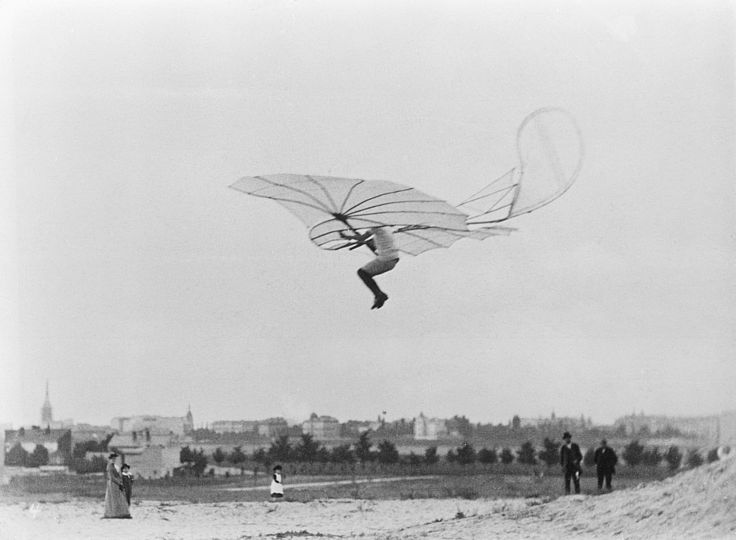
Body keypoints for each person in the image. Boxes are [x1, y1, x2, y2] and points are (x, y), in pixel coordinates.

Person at [340, 226, 399, 309]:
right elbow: (374, 243)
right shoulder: (387, 230)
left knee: (362, 272)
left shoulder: (377, 228)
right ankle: (379, 294)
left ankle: (379, 295)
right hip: (392, 261)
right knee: (366, 274)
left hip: (386, 260)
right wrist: (366, 242)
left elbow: (361, 238)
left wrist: (346, 237)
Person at [103, 453, 131, 518]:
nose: (113, 460)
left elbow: (118, 475)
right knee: (113, 498)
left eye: (114, 458)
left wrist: (120, 482)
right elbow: (112, 477)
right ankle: (113, 513)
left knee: (119, 498)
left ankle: (120, 513)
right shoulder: (109, 466)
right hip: (112, 484)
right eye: (112, 458)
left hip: (116, 483)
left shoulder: (114, 466)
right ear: (110, 459)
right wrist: (119, 483)